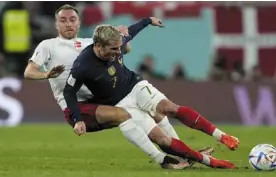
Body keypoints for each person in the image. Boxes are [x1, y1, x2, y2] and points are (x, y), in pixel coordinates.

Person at [24, 4, 212, 169]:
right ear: (56, 24)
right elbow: (29, 72)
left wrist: (119, 37)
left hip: (104, 98)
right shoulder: (48, 45)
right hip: (78, 106)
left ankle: (184, 154)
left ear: (79, 22)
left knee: (155, 112)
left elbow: (124, 49)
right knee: (124, 116)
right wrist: (46, 74)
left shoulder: (92, 43)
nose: (68, 24)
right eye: (63, 20)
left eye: (72, 19)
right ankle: (163, 160)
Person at [64, 18, 237, 169]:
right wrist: (78, 119)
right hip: (119, 104)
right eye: (114, 49)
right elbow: (69, 91)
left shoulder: (116, 42)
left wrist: (148, 20)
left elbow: (130, 32)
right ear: (98, 46)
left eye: (119, 48)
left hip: (135, 85)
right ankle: (208, 161)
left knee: (168, 108)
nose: (119, 52)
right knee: (161, 139)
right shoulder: (82, 66)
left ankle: (222, 136)